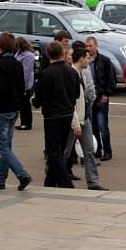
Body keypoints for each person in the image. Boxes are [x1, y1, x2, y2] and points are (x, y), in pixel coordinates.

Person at [0, 32, 32, 191]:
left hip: (2, 109)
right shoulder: (17, 63)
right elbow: (21, 87)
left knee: (2, 146)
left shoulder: (0, 65)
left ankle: (22, 174)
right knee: (7, 145)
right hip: (15, 108)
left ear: (0, 47)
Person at [34, 41, 80, 188]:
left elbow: (40, 97)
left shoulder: (47, 74)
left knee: (54, 152)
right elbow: (77, 94)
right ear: (62, 54)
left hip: (52, 116)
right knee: (59, 149)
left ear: (47, 55)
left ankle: (66, 183)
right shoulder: (72, 72)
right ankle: (50, 182)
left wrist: (35, 101)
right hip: (67, 114)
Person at [65, 45, 108, 191]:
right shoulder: (71, 74)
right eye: (87, 59)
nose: (89, 61)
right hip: (75, 120)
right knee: (66, 151)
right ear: (81, 59)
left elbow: (87, 94)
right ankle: (55, 175)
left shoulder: (82, 73)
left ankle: (93, 182)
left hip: (85, 117)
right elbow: (71, 102)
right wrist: (75, 123)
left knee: (89, 150)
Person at [87, 36, 116, 161]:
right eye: (86, 46)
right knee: (93, 126)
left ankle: (108, 150)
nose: (88, 48)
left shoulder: (104, 60)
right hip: (90, 98)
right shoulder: (85, 61)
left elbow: (111, 79)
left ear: (96, 46)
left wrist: (106, 94)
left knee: (102, 125)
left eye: (90, 46)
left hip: (101, 97)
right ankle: (97, 149)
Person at [14, 36, 36, 131]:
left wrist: (23, 86)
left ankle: (27, 123)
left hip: (26, 84)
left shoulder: (28, 56)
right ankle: (23, 122)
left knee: (25, 104)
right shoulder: (18, 53)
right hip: (20, 83)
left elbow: (26, 72)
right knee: (22, 104)